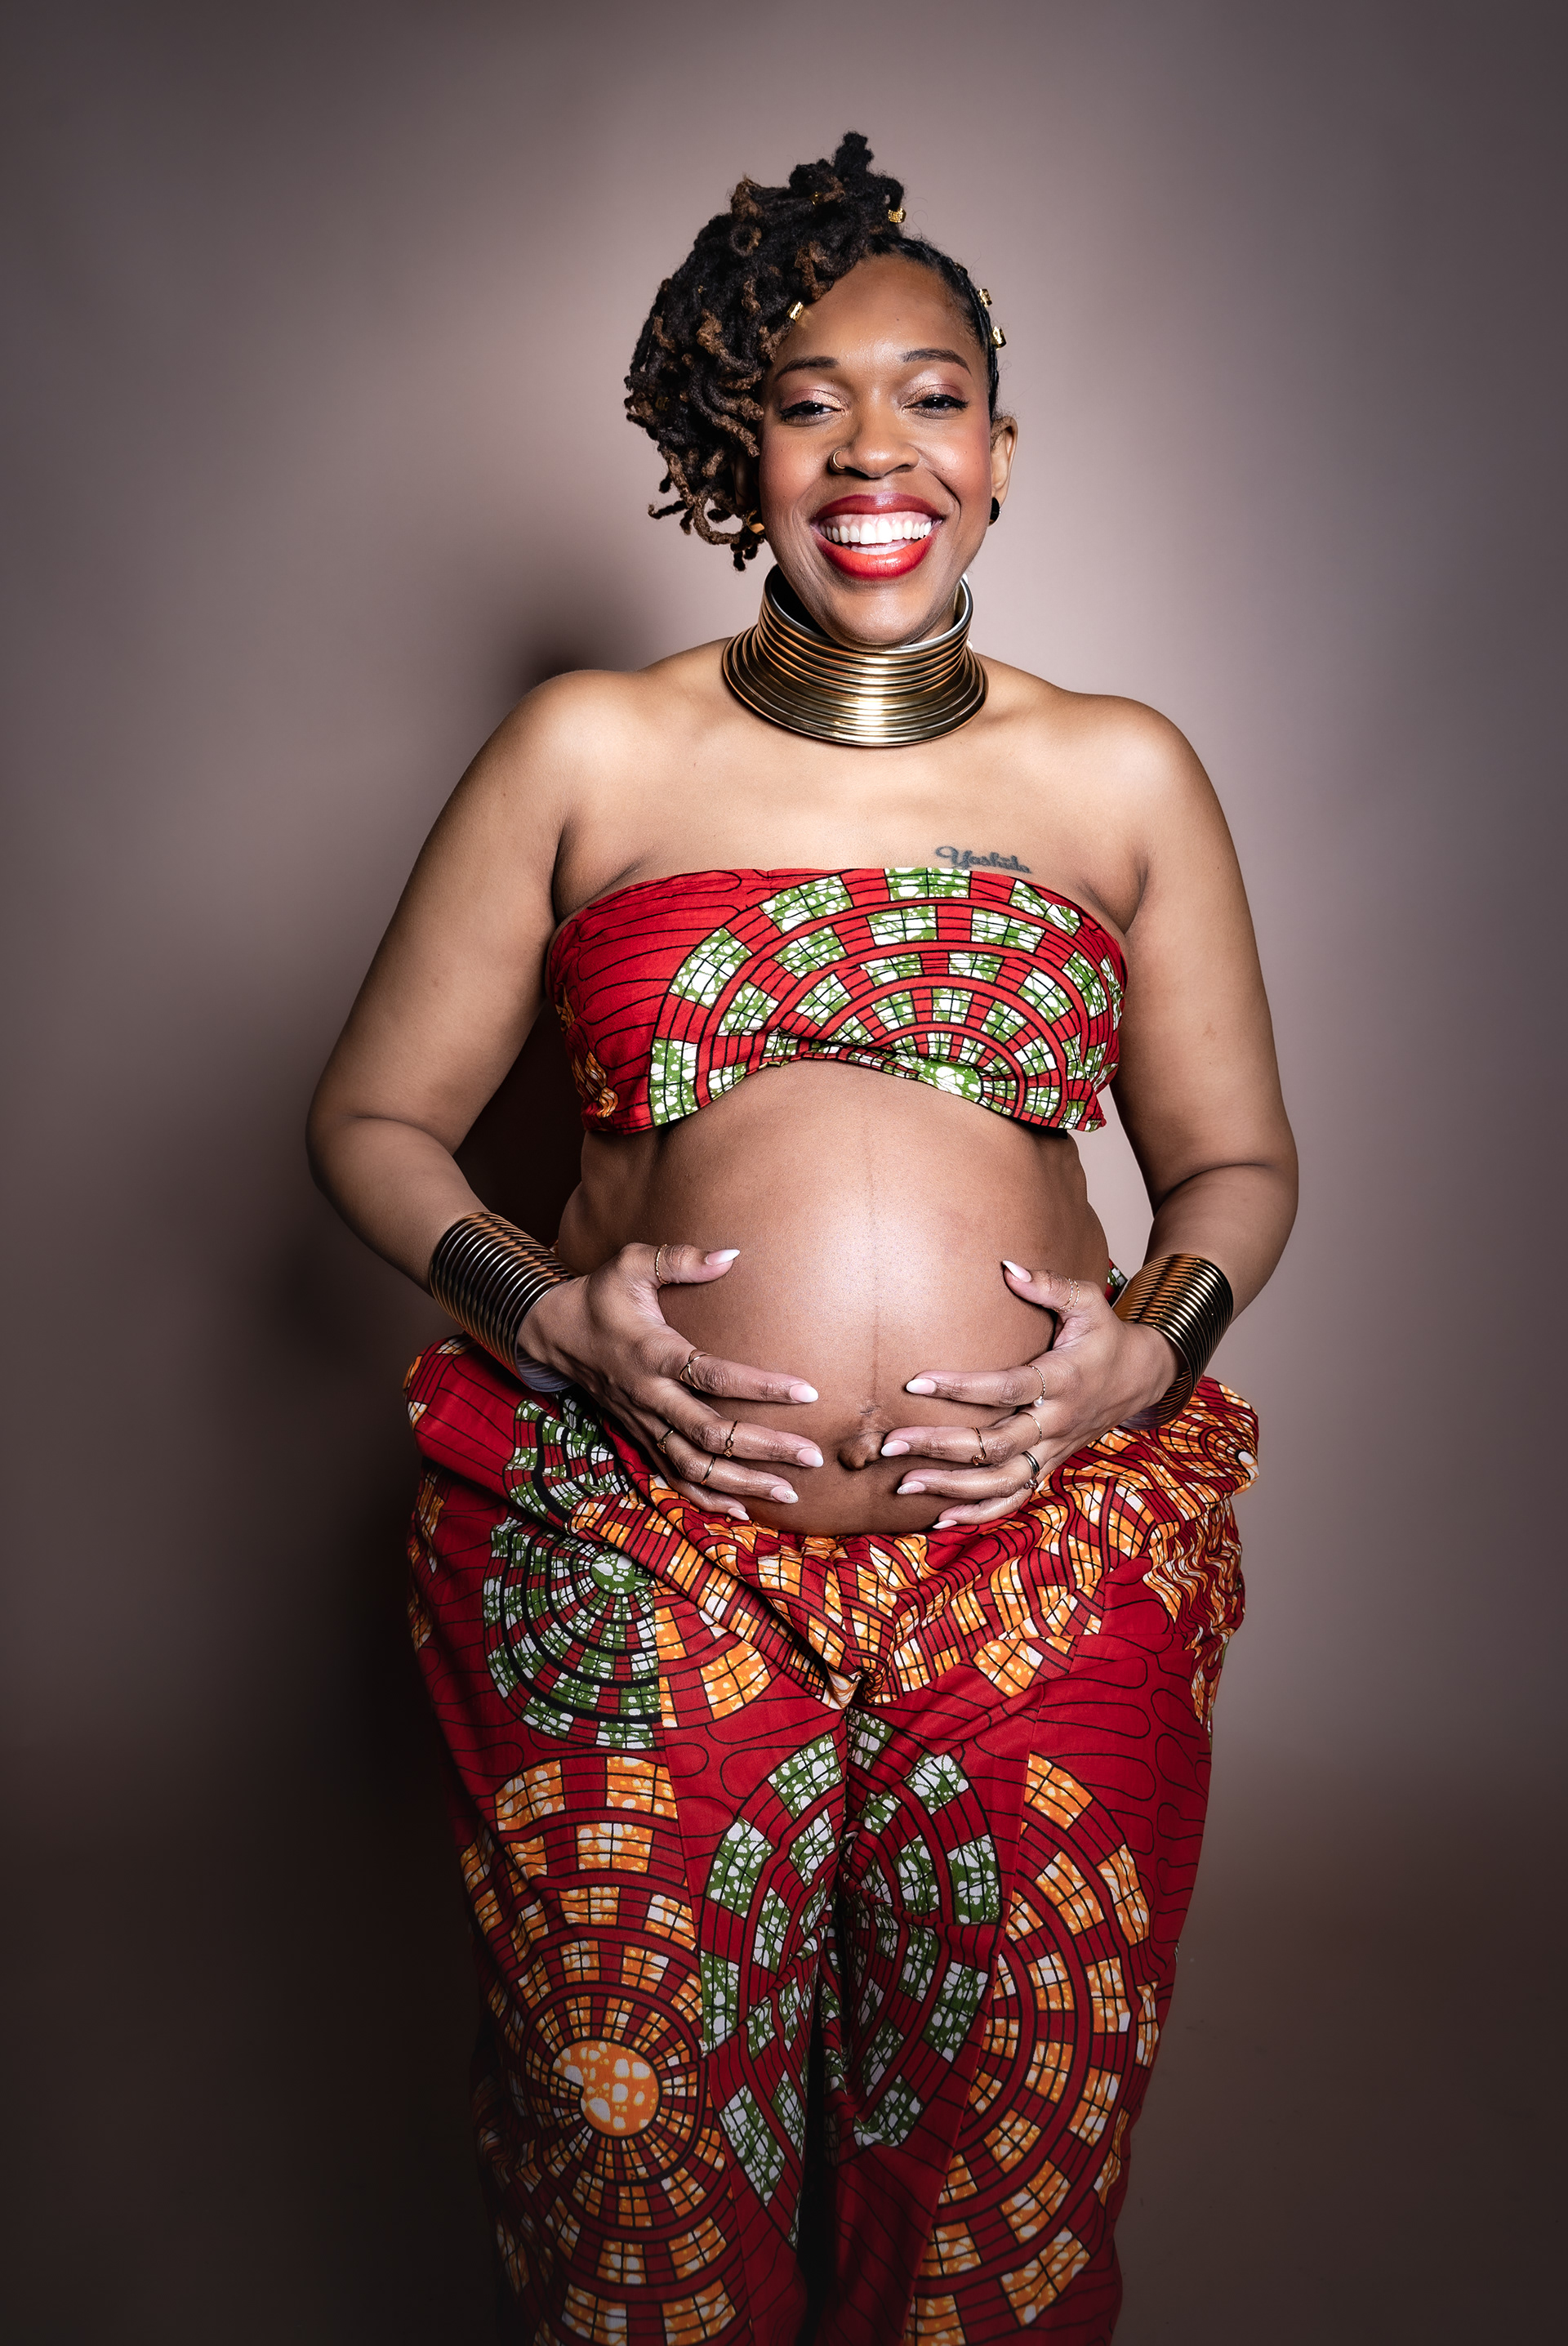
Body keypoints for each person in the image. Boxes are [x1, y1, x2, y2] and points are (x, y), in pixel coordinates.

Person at [309, 132, 1295, 2346]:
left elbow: (1237, 1167)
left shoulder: (1125, 774)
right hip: (626, 1540)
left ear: (1002, 454)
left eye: (933, 395)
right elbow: (370, 1122)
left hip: (1042, 1557)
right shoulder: (589, 745)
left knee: (1001, 2174)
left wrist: (1146, 1350)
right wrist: (544, 1312)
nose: (875, 447)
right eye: (809, 400)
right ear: (736, 455)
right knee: (629, 2143)